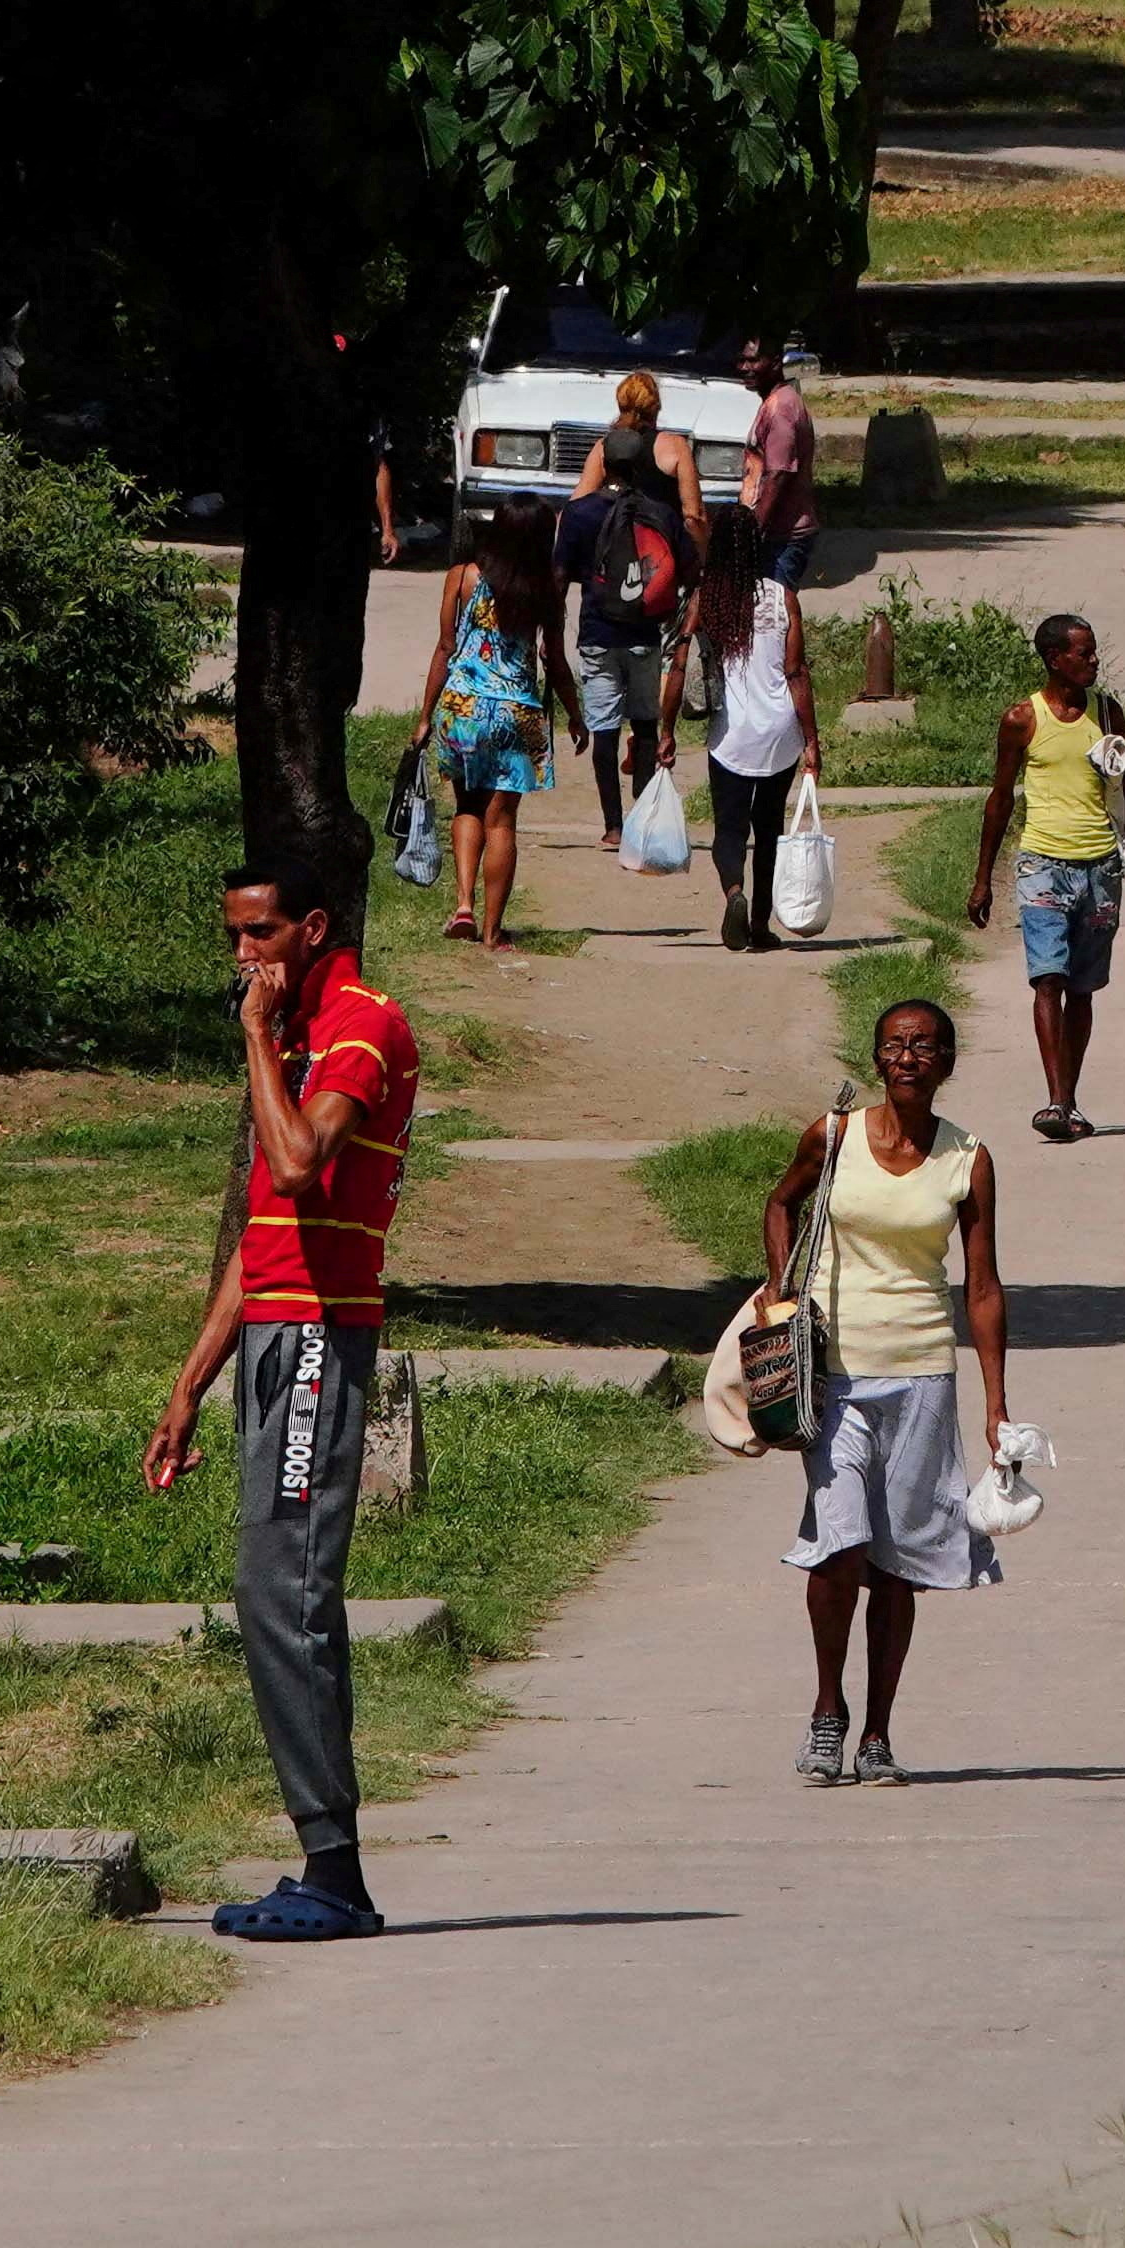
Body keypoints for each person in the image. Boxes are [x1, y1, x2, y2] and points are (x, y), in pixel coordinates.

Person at [144, 859, 423, 1944]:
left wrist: (257, 1037)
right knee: (271, 1588)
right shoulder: (301, 1035)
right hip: (273, 1332)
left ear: (312, 927)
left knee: (286, 1590)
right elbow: (260, 1237)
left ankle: (333, 1868)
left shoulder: (357, 1025)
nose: (242, 957)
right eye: (231, 937)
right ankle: (323, 1856)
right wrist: (188, 1384)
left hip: (318, 1340)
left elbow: (302, 1161)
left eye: (259, 933)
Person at [763, 994, 1016, 1787]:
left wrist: (996, 1403)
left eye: (926, 1046)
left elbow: (982, 1287)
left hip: (921, 1375)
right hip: (833, 1374)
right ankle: (826, 1710)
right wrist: (780, 1291)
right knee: (837, 1546)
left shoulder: (967, 1160)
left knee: (899, 1562)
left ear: (947, 1062)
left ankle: (877, 1733)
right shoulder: (832, 1137)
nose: (910, 1057)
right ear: (878, 1058)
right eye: (897, 1045)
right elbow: (780, 1204)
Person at [990, 613, 1125, 1139]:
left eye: (1093, 652)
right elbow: (999, 799)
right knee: (1049, 980)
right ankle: (1056, 1102)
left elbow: (1124, 789)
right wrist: (981, 879)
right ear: (1053, 659)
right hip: (1043, 864)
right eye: (1082, 654)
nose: (1093, 661)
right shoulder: (1023, 719)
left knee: (1081, 988)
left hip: (1100, 868)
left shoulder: (1109, 714)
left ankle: (1070, 1098)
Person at [403, 502, 570, 954]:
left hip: (462, 707)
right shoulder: (545, 587)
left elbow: (445, 646)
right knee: (502, 821)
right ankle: (494, 933)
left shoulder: (463, 576)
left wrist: (424, 717)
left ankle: (462, 904)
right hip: (517, 712)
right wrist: (575, 713)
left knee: (466, 805)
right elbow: (553, 659)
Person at [566, 372, 701, 848]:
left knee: (604, 720)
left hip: (601, 612)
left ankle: (612, 824)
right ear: (656, 407)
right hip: (651, 605)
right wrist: (693, 567)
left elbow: (577, 504)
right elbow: (694, 516)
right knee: (645, 715)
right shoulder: (675, 449)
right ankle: (643, 813)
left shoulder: (603, 450)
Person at [690, 497, 824, 950]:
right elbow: (796, 672)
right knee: (769, 829)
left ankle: (734, 893)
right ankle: (762, 927)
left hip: (731, 734)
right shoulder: (783, 597)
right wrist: (812, 739)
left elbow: (679, 665)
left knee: (729, 829)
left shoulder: (707, 599)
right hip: (780, 731)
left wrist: (665, 731)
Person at [737, 331, 823, 578]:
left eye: (754, 361)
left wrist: (754, 534)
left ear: (775, 363)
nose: (745, 368)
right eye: (742, 361)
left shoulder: (781, 409)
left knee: (777, 613)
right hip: (776, 536)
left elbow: (778, 475)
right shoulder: (773, 402)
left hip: (783, 539)